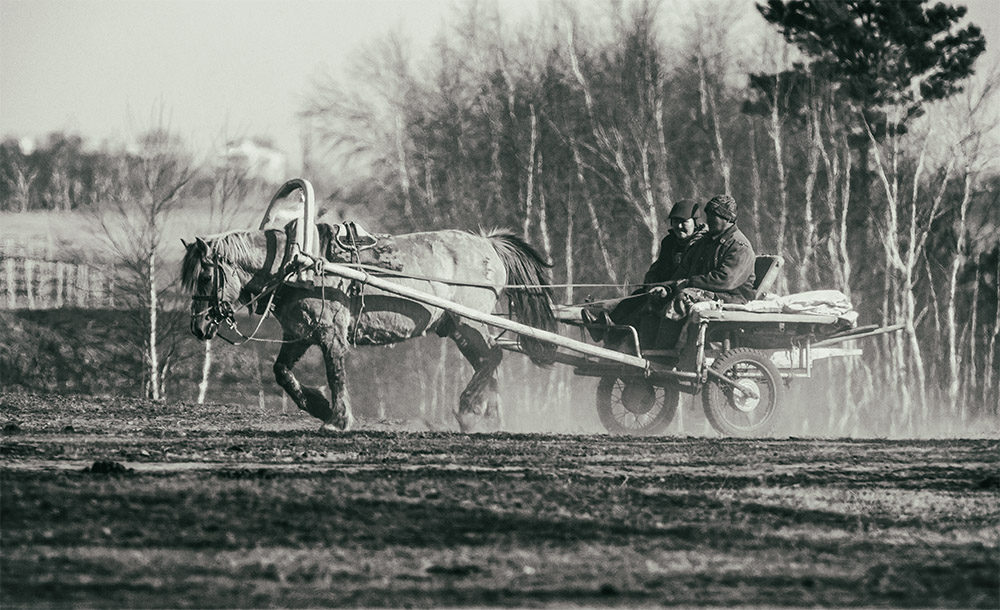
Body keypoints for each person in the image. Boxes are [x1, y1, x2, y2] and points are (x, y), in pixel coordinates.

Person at [582, 199, 707, 341]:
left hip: (681, 292)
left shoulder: (702, 244)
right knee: (635, 298)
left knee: (645, 308)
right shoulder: (669, 242)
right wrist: (652, 278)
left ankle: (615, 334)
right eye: (674, 221)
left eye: (683, 222)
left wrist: (667, 287)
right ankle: (602, 327)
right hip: (662, 289)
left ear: (695, 222)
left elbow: (692, 275)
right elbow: (659, 266)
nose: (678, 226)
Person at [649, 193, 756, 353]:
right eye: (708, 215)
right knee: (657, 299)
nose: (709, 219)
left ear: (727, 219)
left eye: (714, 215)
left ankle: (671, 353)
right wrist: (668, 288)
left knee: (683, 297)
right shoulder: (706, 242)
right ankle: (650, 349)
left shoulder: (739, 246)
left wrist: (688, 284)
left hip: (732, 296)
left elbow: (725, 280)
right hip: (709, 292)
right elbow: (684, 270)